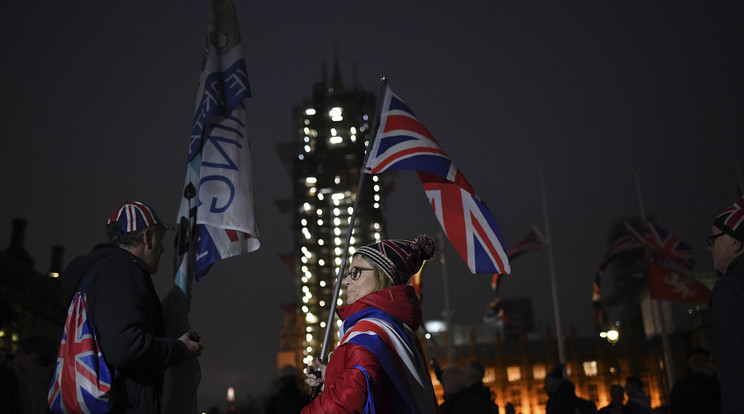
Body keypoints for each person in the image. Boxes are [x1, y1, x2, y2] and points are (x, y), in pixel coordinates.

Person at [58, 201, 203, 413]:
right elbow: (125, 346)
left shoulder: (99, 273)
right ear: (147, 238)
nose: (162, 249)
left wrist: (168, 307)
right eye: (161, 239)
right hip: (120, 406)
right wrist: (178, 349)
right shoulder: (122, 271)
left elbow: (112, 329)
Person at [302, 235, 438, 413]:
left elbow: (350, 399)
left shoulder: (369, 333)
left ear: (383, 276)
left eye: (356, 272)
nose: (346, 281)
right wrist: (331, 376)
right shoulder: (394, 328)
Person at [708, 195, 744, 414]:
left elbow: (735, 369)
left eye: (714, 239)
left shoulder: (730, 289)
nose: (709, 248)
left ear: (736, 241)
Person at [669, 347, 720, 414]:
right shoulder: (681, 386)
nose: (700, 364)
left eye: (703, 360)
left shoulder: (712, 381)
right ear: (689, 362)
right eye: (696, 361)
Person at [15, 336, 56, 414]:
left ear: (32, 357)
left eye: (18, 354)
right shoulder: (54, 384)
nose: (15, 361)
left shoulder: (24, 383)